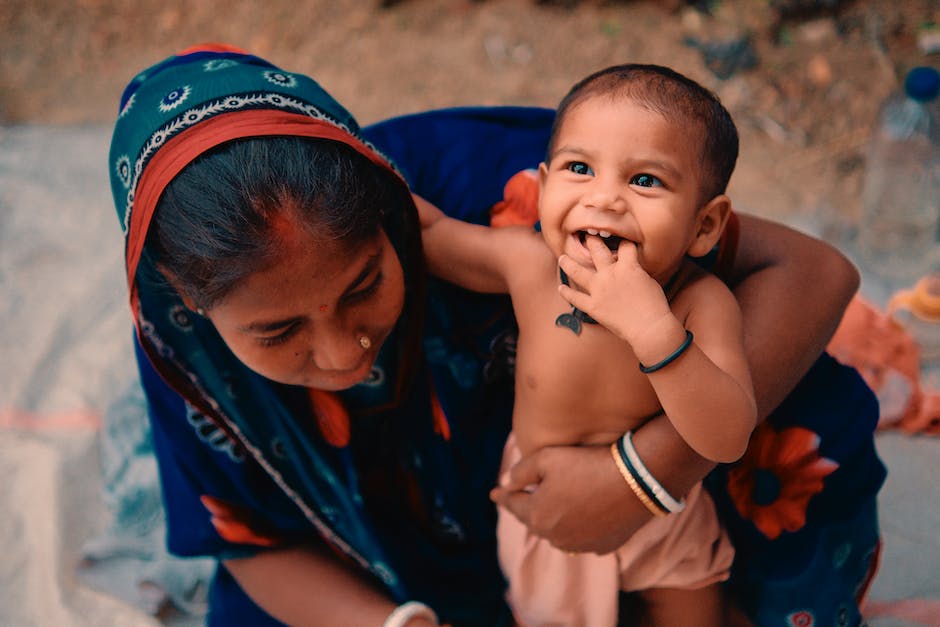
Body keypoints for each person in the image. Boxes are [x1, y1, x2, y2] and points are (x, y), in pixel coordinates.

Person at [108, 44, 885, 627]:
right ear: (185, 297)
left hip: (661, 502)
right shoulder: (185, 338)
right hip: (523, 511)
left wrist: (639, 478)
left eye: (366, 284)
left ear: (387, 207)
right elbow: (248, 539)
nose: (345, 353)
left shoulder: (598, 229)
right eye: (278, 330)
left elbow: (788, 317)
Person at [417, 63, 756, 626]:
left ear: (705, 226)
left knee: (694, 607)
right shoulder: (528, 264)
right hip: (549, 507)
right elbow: (427, 235)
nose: (606, 199)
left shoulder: (700, 301)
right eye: (580, 168)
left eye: (645, 180)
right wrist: (363, 178)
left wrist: (654, 331)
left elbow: (727, 435)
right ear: (544, 187)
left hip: (663, 506)